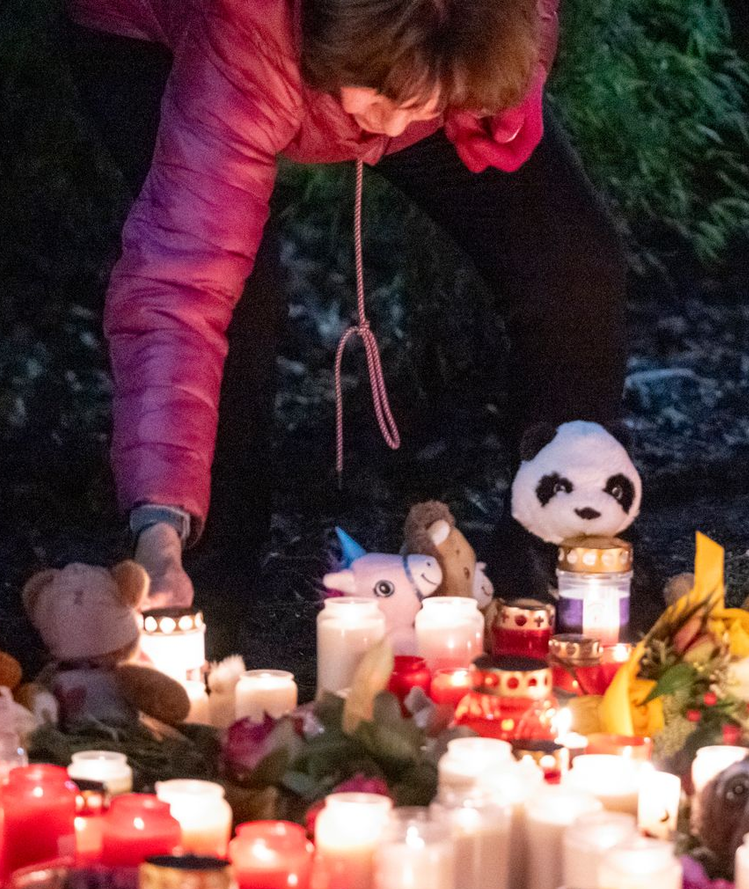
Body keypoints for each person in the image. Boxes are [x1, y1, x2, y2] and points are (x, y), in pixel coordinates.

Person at [64, 0, 627, 638]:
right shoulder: (248, 34)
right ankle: (188, 599)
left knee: (569, 260)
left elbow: (523, 23)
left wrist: (493, 96)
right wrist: (159, 524)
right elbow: (182, 289)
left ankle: (562, 572)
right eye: (380, 97)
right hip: (160, 36)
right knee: (238, 297)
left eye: (414, 106)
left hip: (415, 53)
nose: (388, 126)